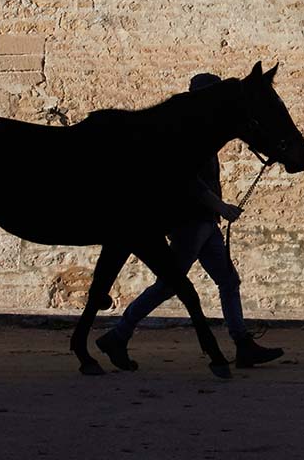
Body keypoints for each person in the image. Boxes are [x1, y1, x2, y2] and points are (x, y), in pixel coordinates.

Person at [96, 72, 284, 371]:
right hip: (190, 223)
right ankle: (118, 335)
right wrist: (222, 207)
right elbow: (191, 181)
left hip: (204, 224)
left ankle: (242, 344)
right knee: (171, 284)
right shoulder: (188, 136)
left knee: (227, 280)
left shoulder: (203, 133)